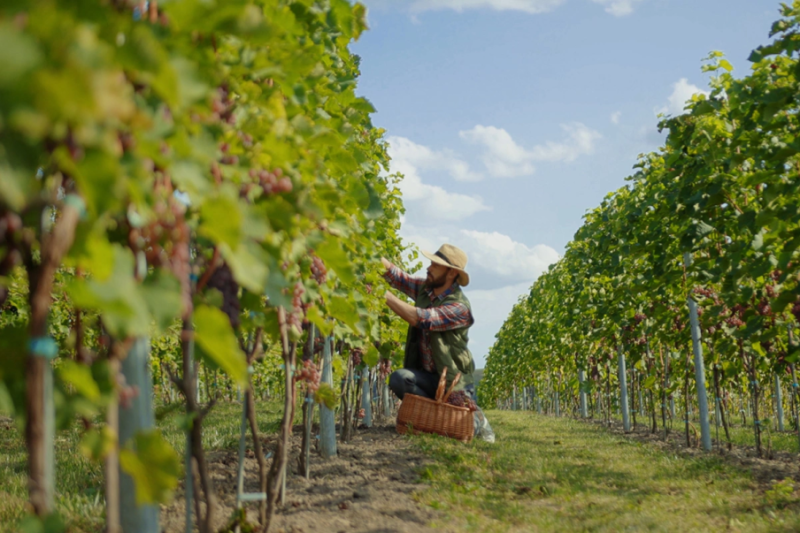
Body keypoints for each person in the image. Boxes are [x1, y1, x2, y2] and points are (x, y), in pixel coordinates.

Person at [381, 244, 495, 442]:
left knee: (458, 427)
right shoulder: (425, 290)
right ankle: (436, 416)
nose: (429, 268)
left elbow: (421, 318)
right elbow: (396, 276)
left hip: (454, 383)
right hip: (427, 378)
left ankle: (477, 419)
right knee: (399, 379)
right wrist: (365, 255)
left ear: (451, 273)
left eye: (435, 265)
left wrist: (382, 295)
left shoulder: (459, 307)